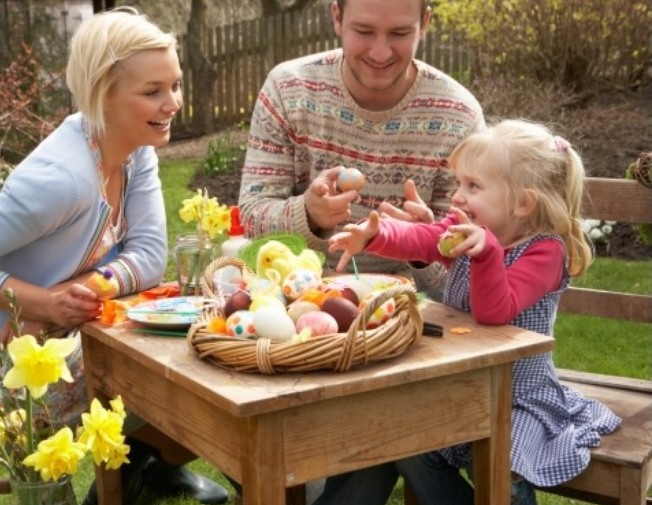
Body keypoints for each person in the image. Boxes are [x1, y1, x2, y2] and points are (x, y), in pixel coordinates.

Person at [0, 7, 229, 505]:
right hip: (6, 368)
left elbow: (150, 255)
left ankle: (144, 473)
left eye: (174, 85)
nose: (172, 102)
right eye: (153, 91)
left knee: (187, 367)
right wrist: (42, 306)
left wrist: (87, 285)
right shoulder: (61, 179)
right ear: (101, 92)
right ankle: (135, 475)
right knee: (174, 381)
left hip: (68, 341)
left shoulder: (136, 148)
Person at [327, 119, 622, 504]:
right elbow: (425, 239)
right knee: (412, 444)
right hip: (459, 380)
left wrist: (486, 255)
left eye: (473, 186)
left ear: (522, 202)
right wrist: (376, 236)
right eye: (459, 184)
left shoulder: (546, 252)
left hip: (516, 395)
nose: (458, 198)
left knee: (502, 462)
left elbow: (495, 312)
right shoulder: (469, 228)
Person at [238, 0, 485, 300]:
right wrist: (309, 214)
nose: (380, 52)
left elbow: (470, 276)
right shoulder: (288, 90)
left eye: (399, 33)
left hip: (405, 314)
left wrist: (423, 246)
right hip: (296, 302)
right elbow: (252, 218)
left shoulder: (458, 117)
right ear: (337, 17)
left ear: (425, 24)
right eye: (364, 31)